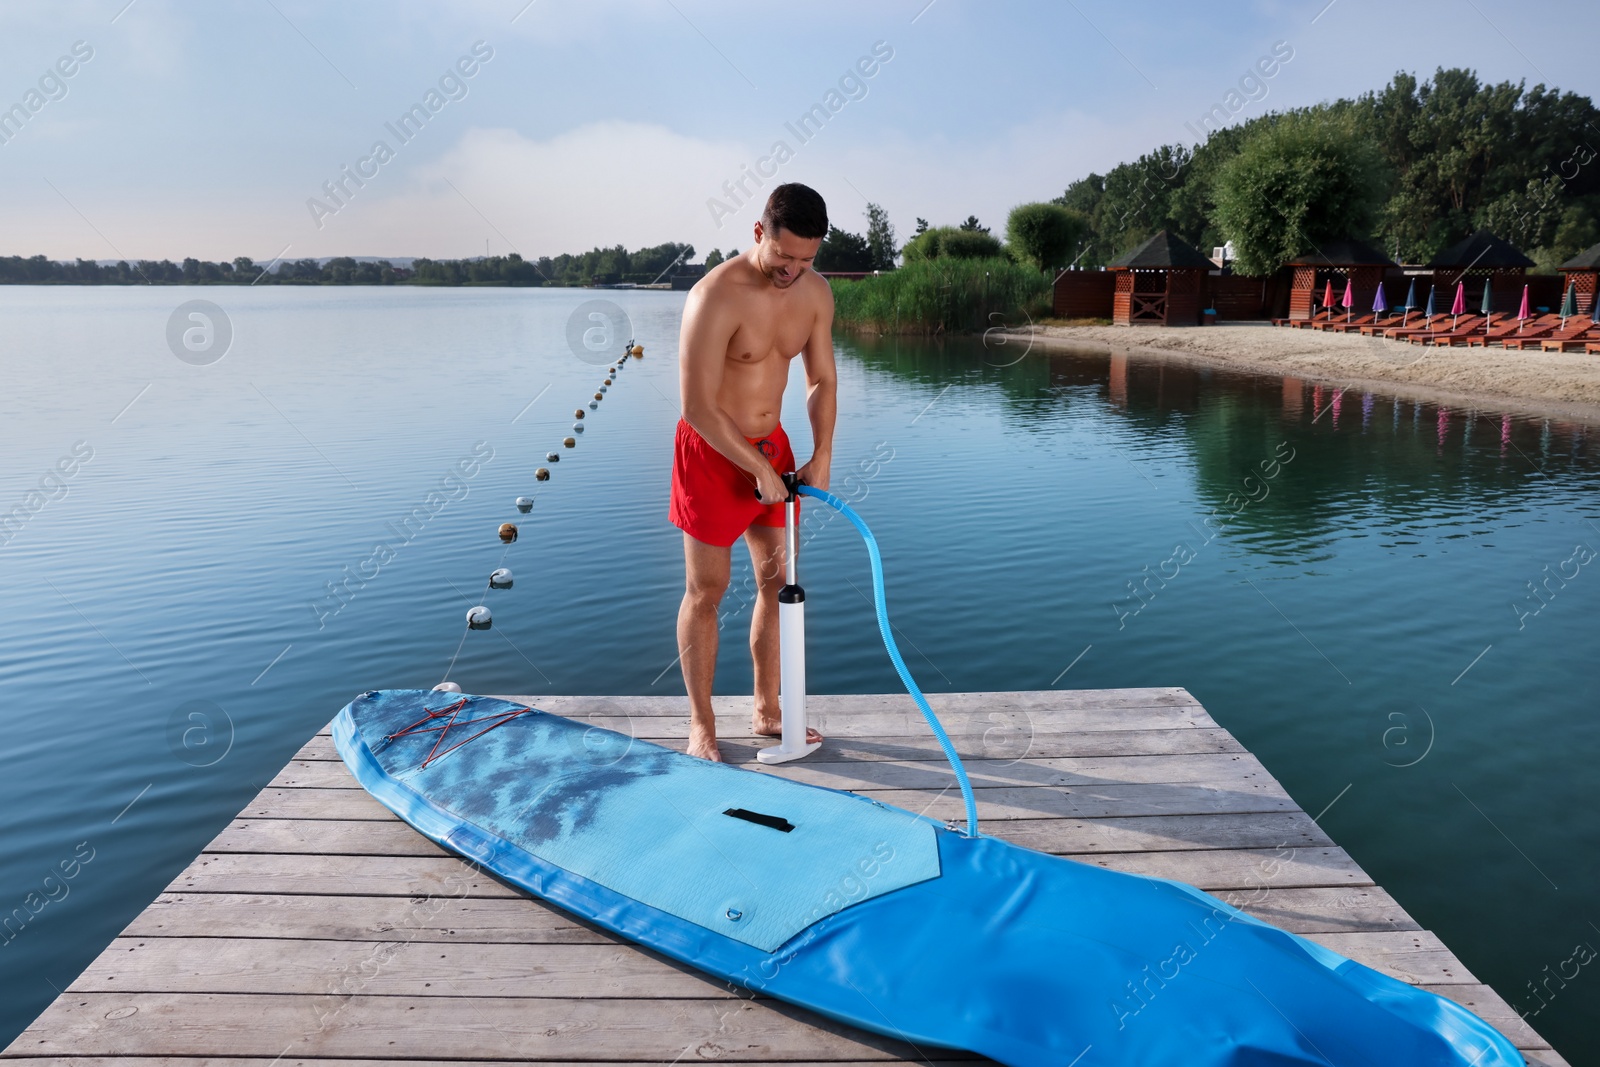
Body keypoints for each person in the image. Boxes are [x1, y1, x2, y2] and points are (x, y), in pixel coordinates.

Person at [669, 183, 837, 761]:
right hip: (713, 453)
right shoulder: (713, 296)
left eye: (807, 260)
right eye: (784, 256)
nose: (793, 270)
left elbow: (820, 380)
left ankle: (767, 709)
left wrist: (823, 453)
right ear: (759, 232)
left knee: (775, 582)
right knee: (708, 590)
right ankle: (701, 723)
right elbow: (697, 406)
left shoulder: (814, 294)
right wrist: (754, 466)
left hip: (774, 450)